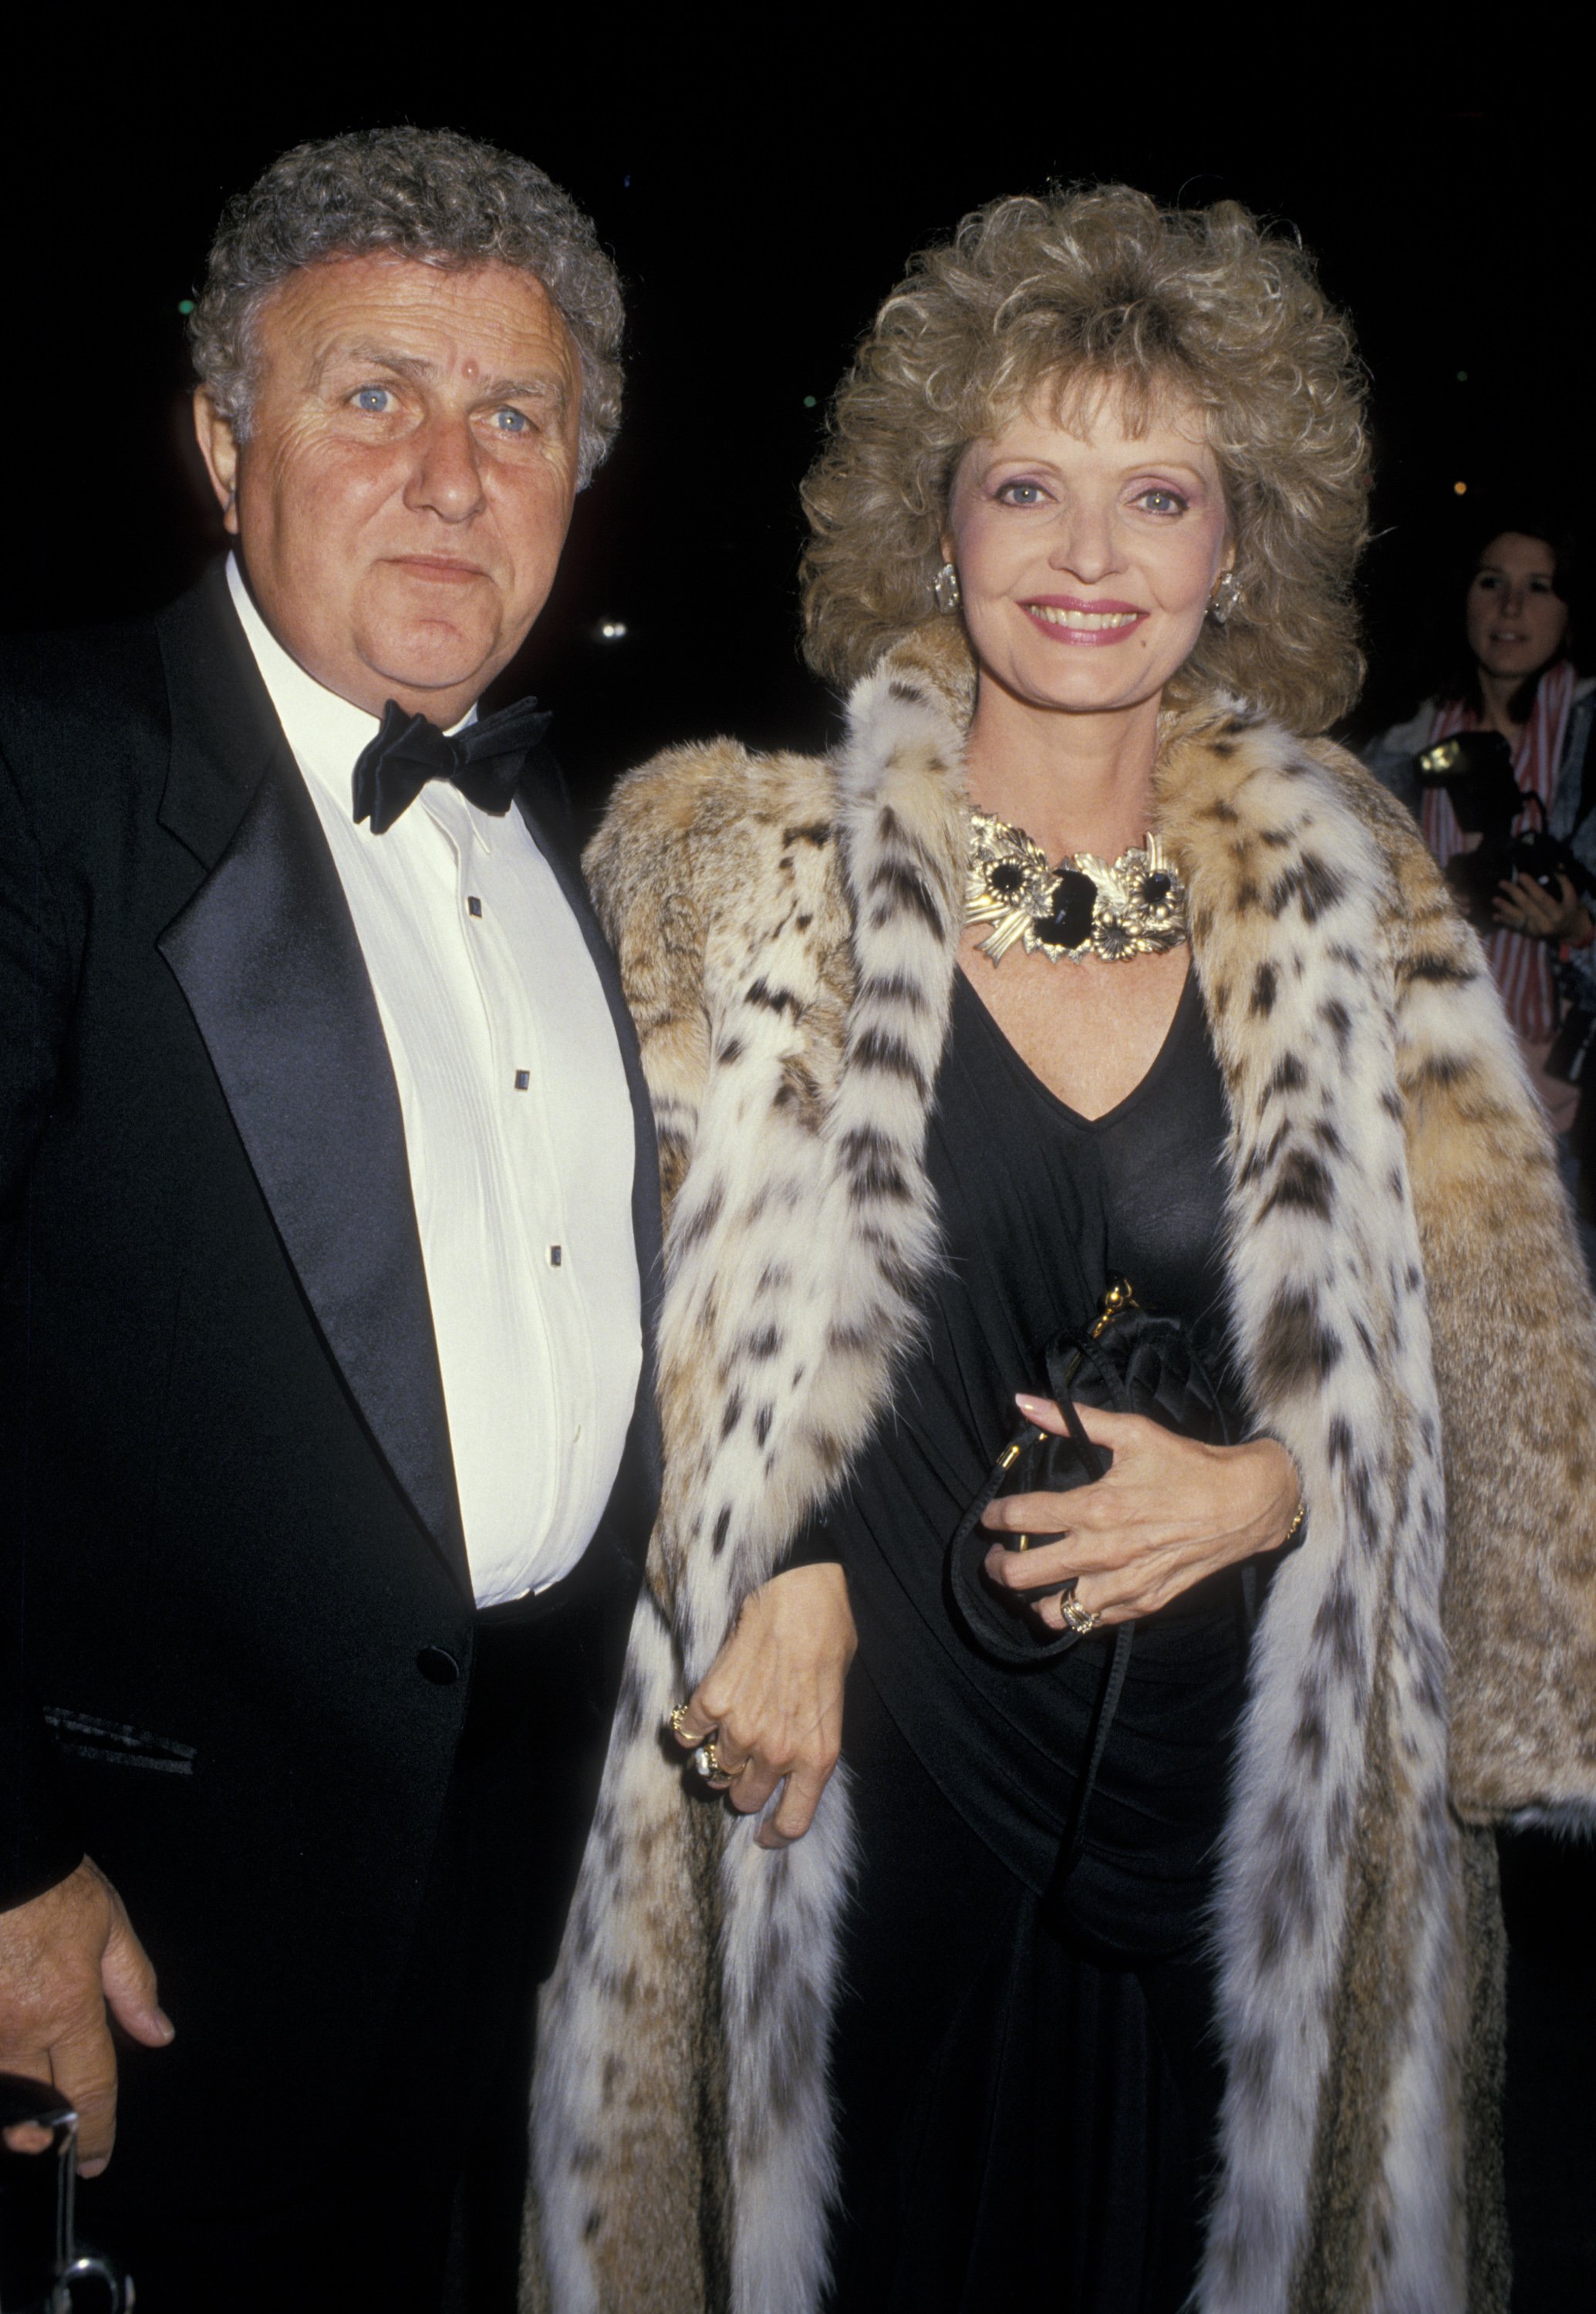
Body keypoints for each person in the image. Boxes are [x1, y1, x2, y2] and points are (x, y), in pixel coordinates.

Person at [523, 189, 1596, 2314]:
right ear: (935, 526)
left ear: (1236, 547)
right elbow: (561, 1344)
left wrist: (1287, 1480)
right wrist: (779, 1560)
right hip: (843, 1803)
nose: (1088, 557)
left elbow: (1492, 1372)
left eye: (1157, 496)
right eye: (1025, 486)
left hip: (1228, 1828)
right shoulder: (727, 867)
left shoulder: (1358, 899)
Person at [0, 128, 660, 2313]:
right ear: (220, 441)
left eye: (515, 417)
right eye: (371, 394)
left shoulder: (553, 825)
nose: (452, 475)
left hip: (483, 1910)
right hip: (134, 1932)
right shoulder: (46, 775)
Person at [1363, 522, 1594, 1135]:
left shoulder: (1587, 742)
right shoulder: (1402, 742)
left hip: (1566, 1093)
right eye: (1490, 582)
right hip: (1428, 1074)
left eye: (1538, 587)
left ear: (1570, 611)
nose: (1509, 607)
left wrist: (1578, 931)